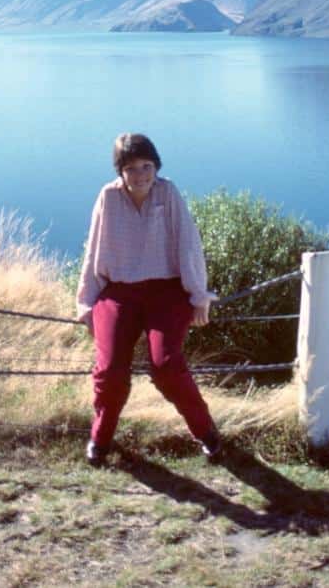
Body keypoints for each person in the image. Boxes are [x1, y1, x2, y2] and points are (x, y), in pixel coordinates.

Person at [75, 132, 222, 466]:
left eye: (147, 166)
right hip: (119, 294)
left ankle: (205, 432)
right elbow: (94, 249)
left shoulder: (167, 192)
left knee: (166, 366)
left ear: (156, 165)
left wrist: (199, 296)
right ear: (120, 171)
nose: (141, 175)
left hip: (166, 292)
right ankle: (100, 439)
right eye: (131, 168)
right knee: (110, 370)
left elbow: (188, 243)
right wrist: (86, 302)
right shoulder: (108, 197)